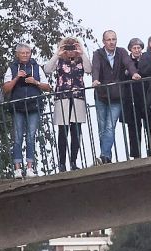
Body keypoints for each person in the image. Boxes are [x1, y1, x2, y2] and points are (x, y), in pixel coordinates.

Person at [91, 30, 140, 164]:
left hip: (116, 95)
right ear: (104, 42)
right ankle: (106, 157)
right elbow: (95, 67)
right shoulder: (98, 54)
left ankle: (104, 156)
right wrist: (95, 80)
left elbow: (128, 63)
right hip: (101, 94)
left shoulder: (121, 52)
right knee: (102, 127)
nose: (112, 42)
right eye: (109, 40)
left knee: (110, 126)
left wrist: (134, 73)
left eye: (114, 39)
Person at [3, 43, 51, 178]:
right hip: (17, 106)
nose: (25, 55)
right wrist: (17, 77)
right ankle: (17, 168)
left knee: (31, 136)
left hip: (34, 106)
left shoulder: (36, 67)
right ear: (17, 54)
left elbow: (47, 87)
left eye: (27, 53)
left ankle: (30, 168)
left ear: (30, 53)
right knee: (17, 138)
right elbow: (6, 89)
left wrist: (35, 82)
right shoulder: (12, 68)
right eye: (22, 53)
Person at [45, 37, 90, 173]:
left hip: (78, 98)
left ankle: (74, 161)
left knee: (76, 131)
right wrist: (57, 53)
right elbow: (47, 69)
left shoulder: (81, 60)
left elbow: (89, 69)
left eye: (72, 47)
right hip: (62, 98)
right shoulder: (59, 60)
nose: (70, 51)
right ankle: (62, 163)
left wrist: (82, 52)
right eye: (68, 47)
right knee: (62, 132)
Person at [121, 38, 149, 159]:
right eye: (134, 48)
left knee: (149, 124)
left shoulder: (146, 59)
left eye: (139, 47)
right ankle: (136, 153)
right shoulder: (126, 61)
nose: (137, 50)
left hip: (145, 96)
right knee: (133, 126)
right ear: (130, 49)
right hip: (131, 98)